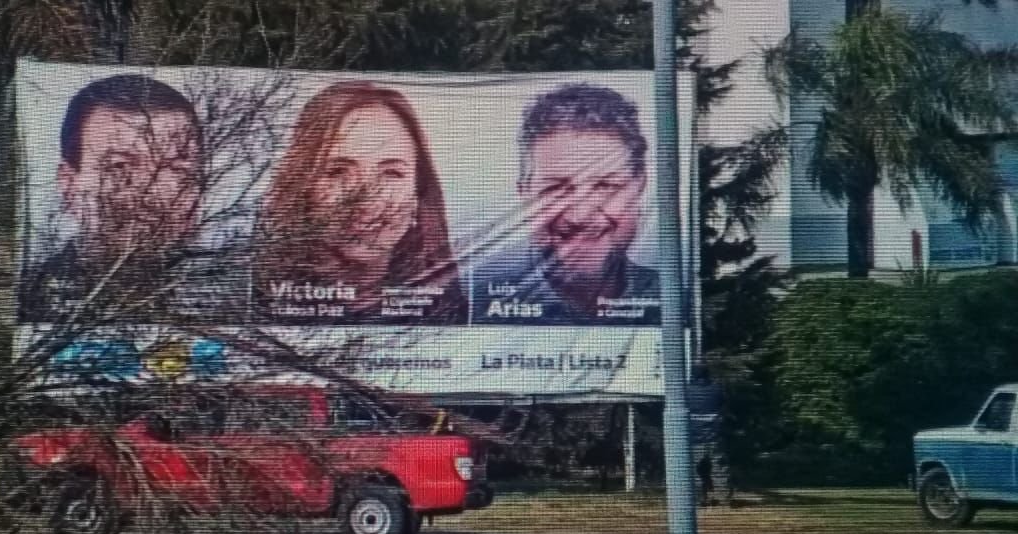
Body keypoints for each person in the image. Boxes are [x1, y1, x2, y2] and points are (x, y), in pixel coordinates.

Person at [18, 73, 227, 324]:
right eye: (119, 167)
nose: (150, 192)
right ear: (69, 183)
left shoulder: (232, 297)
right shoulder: (30, 299)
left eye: (176, 170)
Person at [253, 81, 466, 324]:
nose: (366, 198)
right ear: (302, 186)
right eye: (337, 172)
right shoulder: (253, 301)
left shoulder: (448, 311)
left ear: (419, 194)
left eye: (391, 173)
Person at [471, 84, 660, 325]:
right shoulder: (474, 304)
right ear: (524, 192)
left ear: (639, 185)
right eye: (555, 188)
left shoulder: (674, 297)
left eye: (605, 186)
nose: (580, 216)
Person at [687, 363, 732, 506]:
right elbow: (724, 404)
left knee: (693, 470)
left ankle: (698, 500)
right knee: (720, 469)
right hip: (715, 436)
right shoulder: (717, 389)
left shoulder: (686, 391)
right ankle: (724, 500)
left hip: (694, 437)